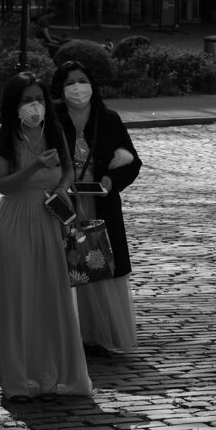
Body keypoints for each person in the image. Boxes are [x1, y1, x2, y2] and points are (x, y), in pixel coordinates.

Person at [0, 73, 92, 403]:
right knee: (18, 295)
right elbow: (3, 184)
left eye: (39, 99)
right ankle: (18, 378)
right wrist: (34, 167)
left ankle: (54, 373)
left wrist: (61, 191)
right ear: (13, 104)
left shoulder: (54, 130)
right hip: (16, 218)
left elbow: (69, 171)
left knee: (52, 293)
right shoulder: (2, 135)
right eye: (26, 100)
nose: (34, 106)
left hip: (50, 218)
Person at [47, 60, 143, 356]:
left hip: (101, 203)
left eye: (82, 80)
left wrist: (111, 180)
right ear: (61, 89)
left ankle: (101, 332)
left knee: (100, 262)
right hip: (66, 202)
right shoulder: (53, 120)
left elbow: (133, 162)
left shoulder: (108, 118)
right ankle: (70, 333)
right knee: (67, 264)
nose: (77, 87)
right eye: (70, 82)